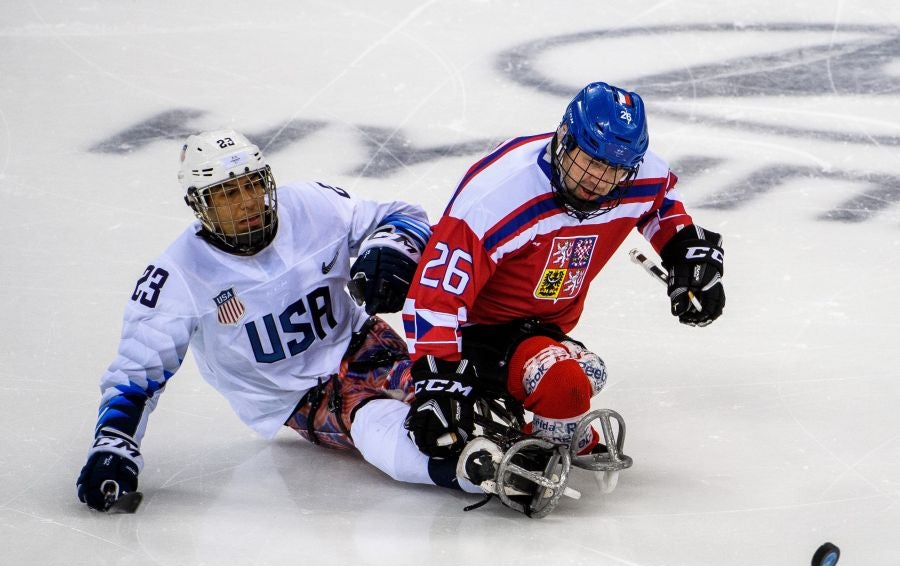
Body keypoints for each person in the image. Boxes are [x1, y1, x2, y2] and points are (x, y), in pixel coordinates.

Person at [76, 129, 484, 512]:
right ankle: (484, 473)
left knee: (454, 392)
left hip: (363, 342)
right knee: (377, 428)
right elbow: (137, 374)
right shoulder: (176, 277)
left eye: (252, 184)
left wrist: (391, 248)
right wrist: (113, 445)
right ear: (199, 205)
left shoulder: (312, 206)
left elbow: (402, 215)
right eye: (226, 193)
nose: (247, 202)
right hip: (297, 394)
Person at [402, 82, 726, 494]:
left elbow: (661, 204)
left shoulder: (637, 177)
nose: (599, 180)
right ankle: (522, 424)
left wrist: (687, 257)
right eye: (589, 160)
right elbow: (436, 297)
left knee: (590, 372)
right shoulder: (499, 196)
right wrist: (440, 382)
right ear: (564, 138)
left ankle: (514, 416)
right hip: (477, 330)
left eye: (614, 170)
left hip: (542, 326)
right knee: (564, 383)